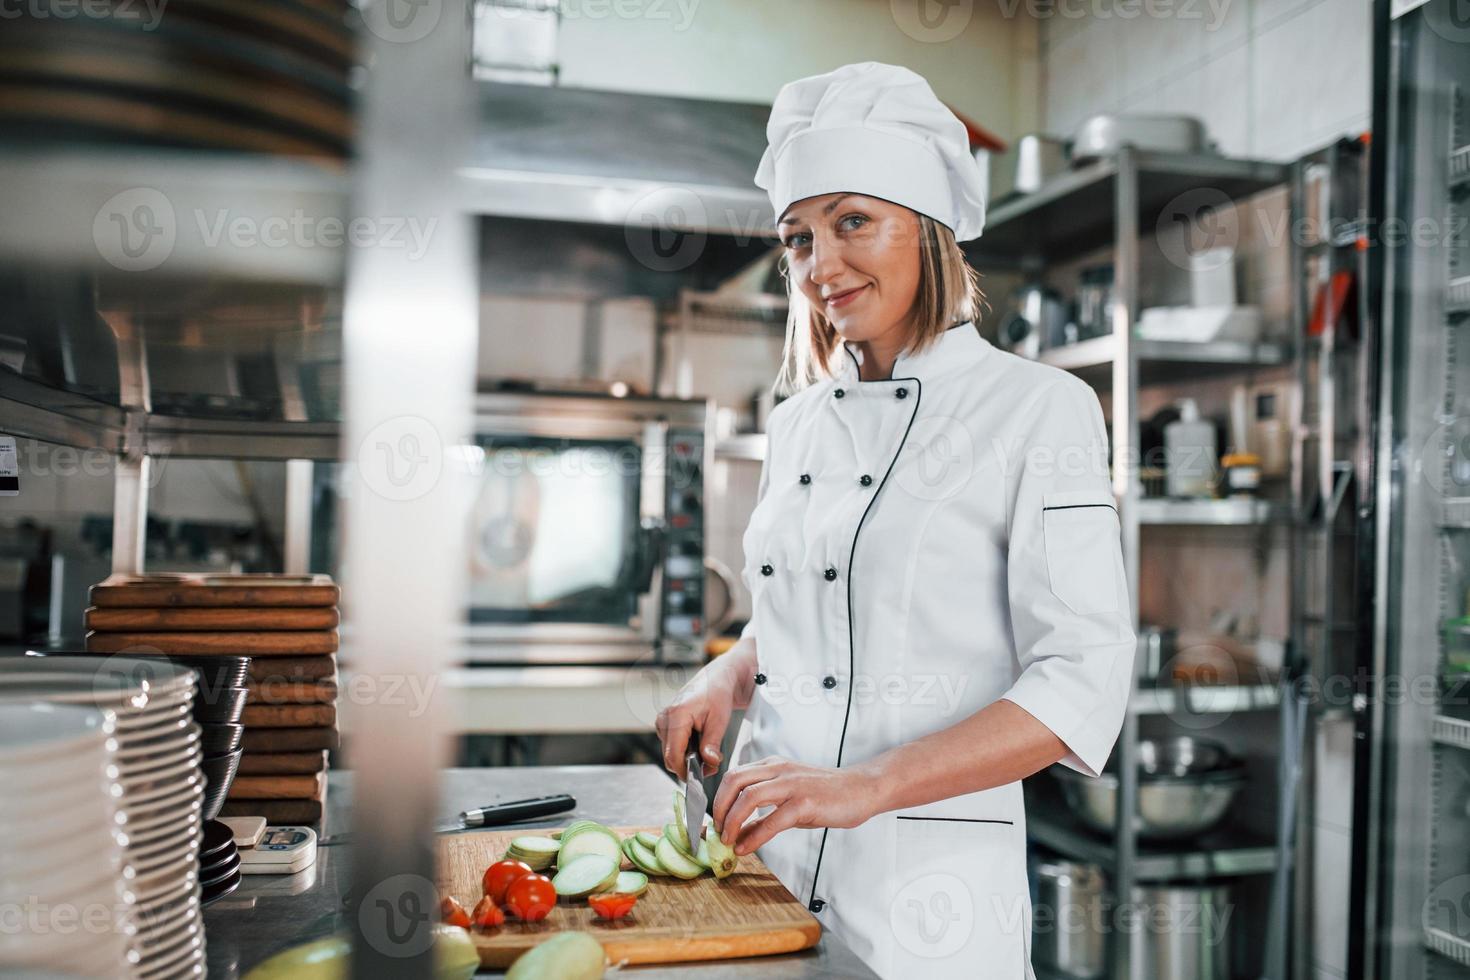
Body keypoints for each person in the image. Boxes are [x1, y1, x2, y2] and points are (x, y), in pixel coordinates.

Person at [655, 61, 1135, 980]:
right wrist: (729, 672)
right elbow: (805, 615)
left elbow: (1083, 679)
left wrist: (868, 787)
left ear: (930, 230)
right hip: (768, 876)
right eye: (797, 239)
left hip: (933, 911)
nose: (819, 267)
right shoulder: (796, 422)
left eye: (853, 222)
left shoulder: (1040, 409)